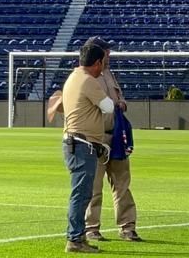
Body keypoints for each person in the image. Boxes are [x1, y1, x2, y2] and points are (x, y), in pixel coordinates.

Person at [58, 42, 116, 253]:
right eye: (104, 62)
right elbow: (108, 107)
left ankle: (79, 236)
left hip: (76, 143)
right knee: (81, 194)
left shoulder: (73, 77)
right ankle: (74, 239)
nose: (104, 67)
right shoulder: (88, 81)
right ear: (98, 62)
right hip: (82, 144)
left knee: (82, 193)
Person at [81, 38, 141, 243]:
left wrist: (122, 104)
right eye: (106, 51)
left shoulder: (109, 74)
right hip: (95, 138)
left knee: (122, 184)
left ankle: (127, 227)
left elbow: (118, 100)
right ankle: (91, 228)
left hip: (115, 136)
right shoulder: (84, 77)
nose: (109, 54)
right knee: (93, 186)